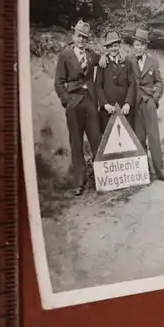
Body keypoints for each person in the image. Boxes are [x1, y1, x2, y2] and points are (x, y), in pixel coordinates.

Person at [54, 19, 107, 196]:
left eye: (85, 37)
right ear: (73, 36)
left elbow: (104, 60)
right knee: (76, 144)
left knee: (96, 140)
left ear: (87, 40)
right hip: (74, 103)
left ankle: (101, 179)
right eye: (79, 36)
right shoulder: (65, 56)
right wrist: (67, 101)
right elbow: (59, 83)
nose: (81, 40)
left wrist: (107, 56)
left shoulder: (92, 55)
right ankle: (79, 183)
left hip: (90, 102)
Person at [130, 28, 164, 182]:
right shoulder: (129, 61)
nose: (138, 47)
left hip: (149, 103)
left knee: (154, 137)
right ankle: (144, 172)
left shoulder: (153, 62)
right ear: (133, 45)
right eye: (136, 44)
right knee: (139, 138)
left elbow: (159, 82)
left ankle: (159, 171)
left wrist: (155, 98)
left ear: (146, 47)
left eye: (141, 45)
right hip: (136, 104)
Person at [95, 31, 135, 132]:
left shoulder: (127, 62)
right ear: (107, 48)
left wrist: (128, 103)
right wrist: (105, 104)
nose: (113, 48)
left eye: (115, 45)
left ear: (119, 46)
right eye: (110, 46)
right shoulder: (103, 63)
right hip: (108, 111)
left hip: (124, 110)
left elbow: (132, 84)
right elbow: (98, 86)